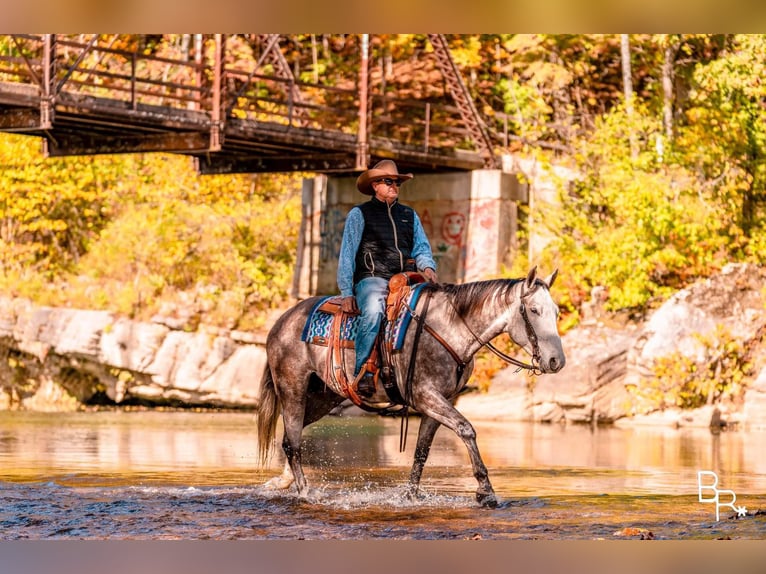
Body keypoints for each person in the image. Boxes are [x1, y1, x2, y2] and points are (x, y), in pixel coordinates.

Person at [337, 159, 438, 398]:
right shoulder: (359, 214)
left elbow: (421, 248)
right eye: (388, 181)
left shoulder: (409, 215)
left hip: (406, 278)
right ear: (375, 186)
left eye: (397, 182)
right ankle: (364, 370)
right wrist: (346, 293)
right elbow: (347, 254)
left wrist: (428, 267)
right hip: (372, 278)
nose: (394, 186)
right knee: (373, 310)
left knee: (434, 311)